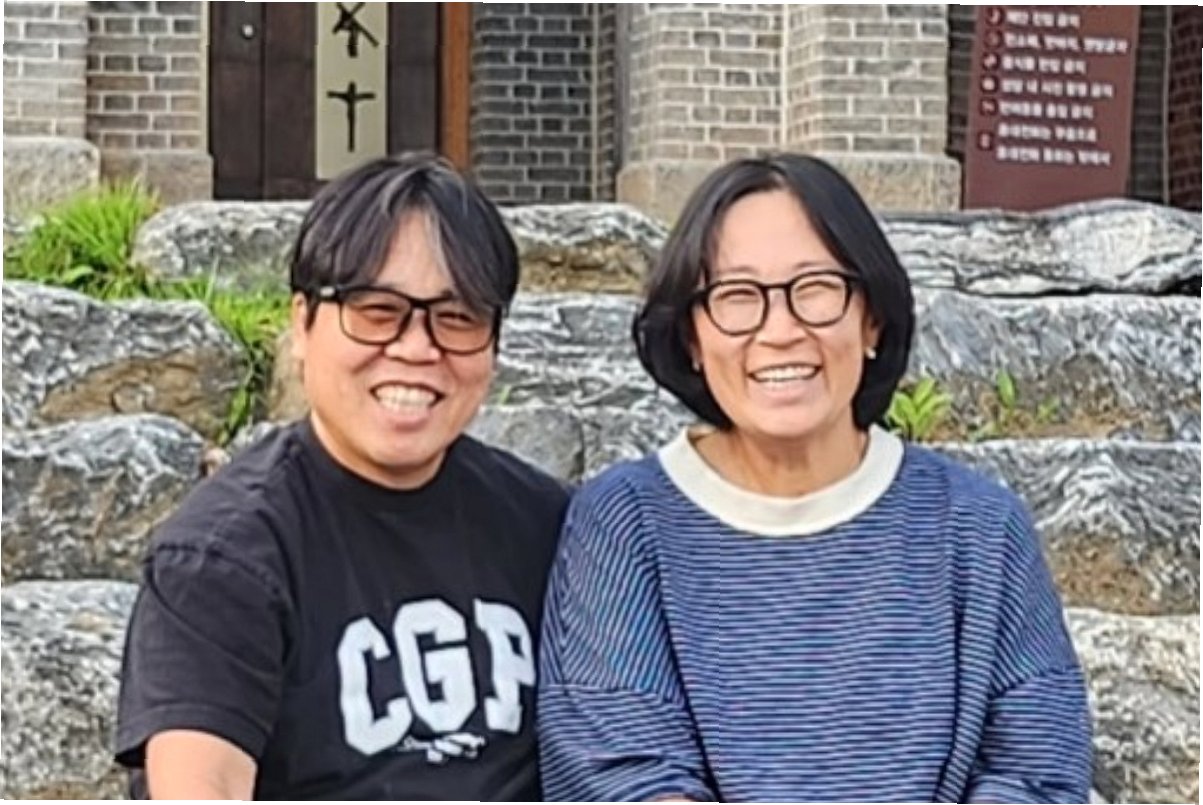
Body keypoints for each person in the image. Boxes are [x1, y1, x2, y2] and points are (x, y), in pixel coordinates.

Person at [537, 154, 1093, 803]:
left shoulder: (978, 527)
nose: (780, 330)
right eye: (736, 296)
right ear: (691, 336)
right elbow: (623, 776)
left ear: (871, 319)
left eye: (816, 288)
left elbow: (1036, 771)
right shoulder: (625, 522)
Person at [115, 153, 569, 799]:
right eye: (377, 310)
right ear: (301, 323)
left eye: (457, 317)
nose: (417, 348)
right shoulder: (222, 558)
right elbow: (201, 787)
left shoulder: (549, 526)